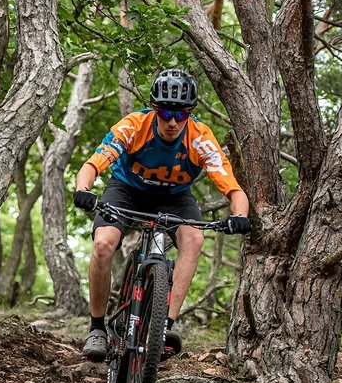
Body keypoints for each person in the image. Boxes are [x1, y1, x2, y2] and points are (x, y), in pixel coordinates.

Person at [72, 68, 251, 361]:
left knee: (194, 239)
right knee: (103, 245)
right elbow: (92, 165)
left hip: (174, 197)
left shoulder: (199, 138)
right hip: (127, 190)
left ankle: (163, 327)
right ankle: (96, 327)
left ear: (189, 114)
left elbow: (233, 190)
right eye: (165, 113)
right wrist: (84, 189)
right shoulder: (133, 126)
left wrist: (239, 216)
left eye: (180, 115)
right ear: (154, 109)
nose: (171, 122)